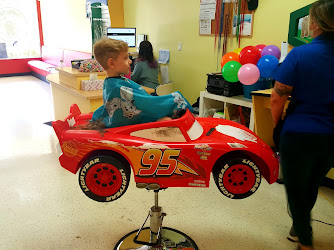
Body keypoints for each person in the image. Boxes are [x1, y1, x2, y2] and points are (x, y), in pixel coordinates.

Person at [270, 1, 334, 249]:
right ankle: (298, 227)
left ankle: (305, 242)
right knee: (312, 184)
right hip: (330, 135)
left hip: (299, 132)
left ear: (315, 23)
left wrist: (278, 125)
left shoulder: (300, 53)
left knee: (296, 189)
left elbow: (277, 97)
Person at [91, 37, 193, 128]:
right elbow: (144, 106)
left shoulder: (111, 82)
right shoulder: (118, 88)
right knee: (177, 100)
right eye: (125, 58)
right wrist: (174, 99)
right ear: (112, 63)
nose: (130, 61)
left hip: (150, 99)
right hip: (133, 125)